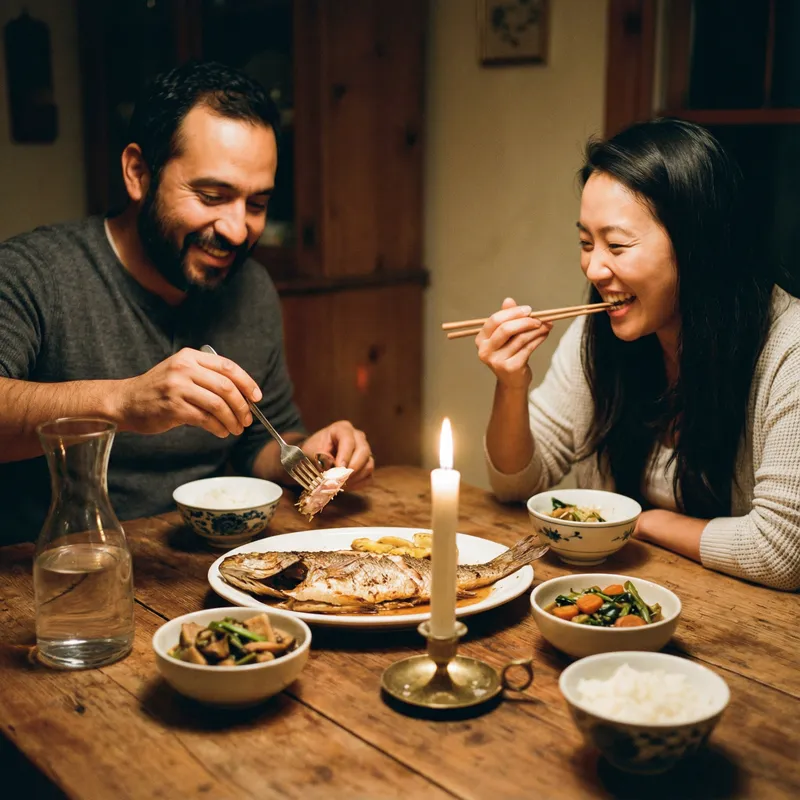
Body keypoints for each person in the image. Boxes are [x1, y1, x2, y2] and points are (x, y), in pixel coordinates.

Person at [0, 61, 373, 542]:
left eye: (256, 205)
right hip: (55, 568)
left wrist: (310, 454)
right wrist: (123, 401)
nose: (238, 230)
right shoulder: (35, 272)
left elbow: (261, 440)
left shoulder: (251, 287)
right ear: (138, 174)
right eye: (212, 195)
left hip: (197, 565)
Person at [477, 118, 800, 591]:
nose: (594, 266)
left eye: (618, 245)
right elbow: (515, 485)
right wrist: (511, 384)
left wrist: (643, 523)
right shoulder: (602, 330)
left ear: (696, 246)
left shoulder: (787, 347)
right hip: (620, 595)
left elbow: (782, 550)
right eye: (586, 243)